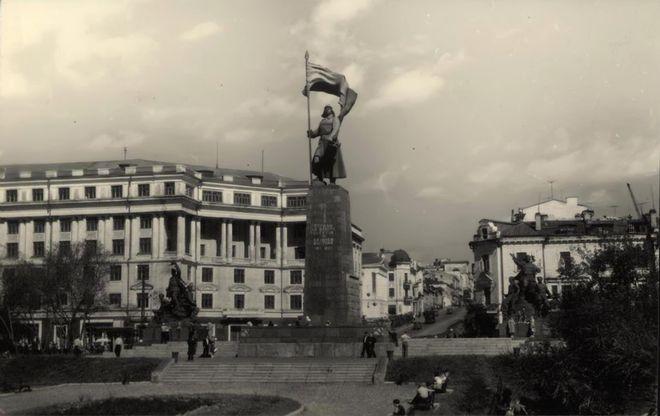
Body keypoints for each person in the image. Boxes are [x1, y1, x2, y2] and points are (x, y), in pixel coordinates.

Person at [307, 105, 347, 184]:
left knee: (331, 162)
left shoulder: (335, 119)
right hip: (322, 143)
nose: (327, 109)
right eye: (326, 108)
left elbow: (336, 129)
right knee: (317, 159)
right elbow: (318, 132)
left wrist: (331, 136)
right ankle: (319, 178)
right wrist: (311, 133)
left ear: (331, 110)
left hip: (331, 143)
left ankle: (332, 181)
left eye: (329, 108)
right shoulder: (322, 121)